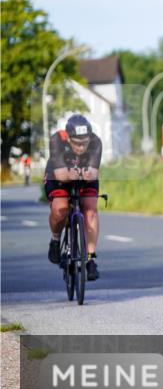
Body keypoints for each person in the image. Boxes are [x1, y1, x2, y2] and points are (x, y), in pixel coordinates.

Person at [44, 115, 103, 281]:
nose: (81, 147)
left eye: (84, 142)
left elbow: (93, 173)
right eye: (76, 142)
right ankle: (55, 239)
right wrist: (73, 174)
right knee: (61, 208)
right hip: (58, 176)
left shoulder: (96, 142)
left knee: (90, 209)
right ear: (68, 138)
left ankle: (91, 260)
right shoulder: (57, 140)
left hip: (83, 176)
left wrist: (84, 174)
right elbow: (61, 175)